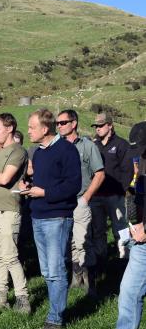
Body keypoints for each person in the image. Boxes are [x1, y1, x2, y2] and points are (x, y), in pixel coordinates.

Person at [20, 109, 81, 329]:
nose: (28, 131)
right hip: (38, 216)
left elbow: (72, 185)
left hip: (57, 217)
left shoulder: (67, 150)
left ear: (45, 129)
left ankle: (55, 320)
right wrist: (31, 188)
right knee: (47, 270)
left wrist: (45, 192)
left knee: (55, 270)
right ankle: (55, 314)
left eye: (32, 127)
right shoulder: (38, 153)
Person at [102, 122, 146, 329]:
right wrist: (134, 224)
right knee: (129, 291)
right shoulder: (138, 162)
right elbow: (134, 195)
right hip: (141, 242)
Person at [0, 113, 30, 313]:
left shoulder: (17, 151)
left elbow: (6, 178)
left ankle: (22, 297)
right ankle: (1, 296)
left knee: (10, 256)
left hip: (10, 209)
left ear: (9, 128)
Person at [56, 109, 105, 296]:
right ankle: (76, 278)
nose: (59, 126)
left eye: (63, 122)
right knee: (68, 243)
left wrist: (86, 197)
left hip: (80, 200)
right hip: (62, 202)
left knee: (83, 241)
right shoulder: (57, 146)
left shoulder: (87, 146)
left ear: (74, 123)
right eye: (57, 123)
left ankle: (90, 283)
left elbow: (99, 173)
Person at [90, 113, 133, 266]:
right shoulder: (94, 145)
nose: (98, 128)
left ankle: (125, 260)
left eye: (101, 125)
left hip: (115, 195)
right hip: (96, 196)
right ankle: (101, 261)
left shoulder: (121, 144)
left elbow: (127, 170)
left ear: (110, 125)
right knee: (98, 230)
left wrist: (121, 191)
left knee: (120, 228)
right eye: (96, 126)